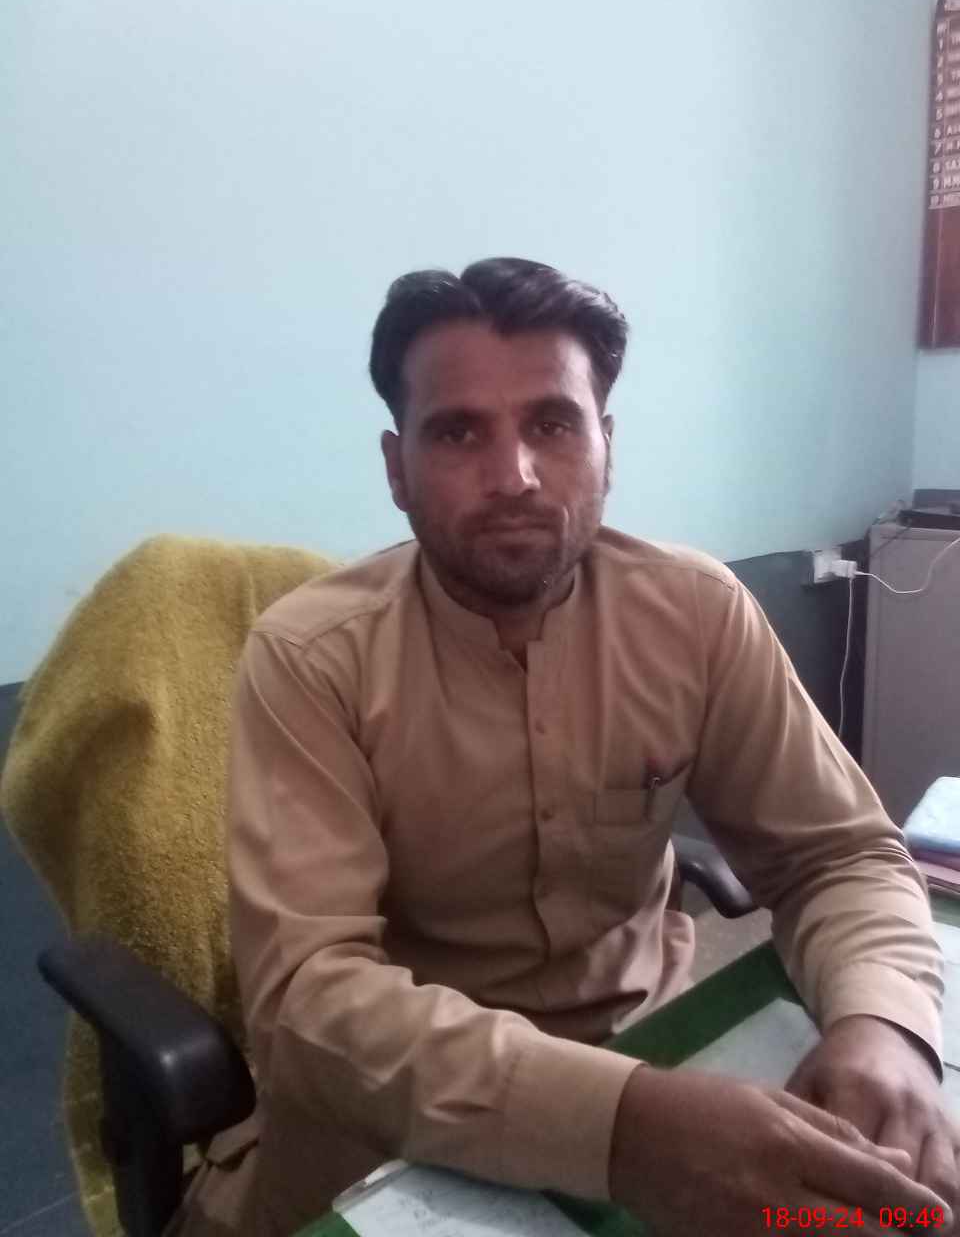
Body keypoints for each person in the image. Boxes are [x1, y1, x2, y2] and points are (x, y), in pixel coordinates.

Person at [171, 258, 958, 1236]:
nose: (514, 476)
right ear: (396, 468)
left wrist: (885, 1025)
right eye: (459, 432)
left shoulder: (697, 613)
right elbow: (309, 1001)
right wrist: (624, 1128)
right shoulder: (310, 658)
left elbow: (838, 854)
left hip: (662, 1046)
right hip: (392, 1125)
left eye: (552, 423)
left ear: (605, 446)